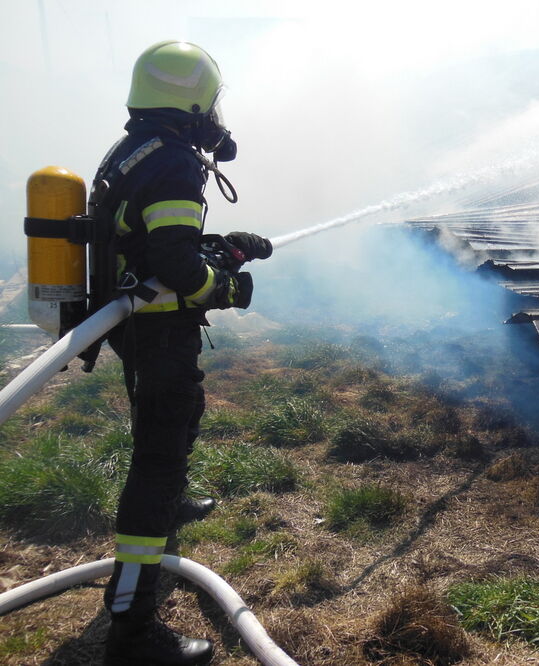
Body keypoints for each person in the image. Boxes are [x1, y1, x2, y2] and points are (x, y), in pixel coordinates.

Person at [91, 40, 272, 665]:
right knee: (156, 463)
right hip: (161, 331)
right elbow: (172, 261)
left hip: (136, 326)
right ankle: (134, 634)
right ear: (192, 101)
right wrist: (223, 287)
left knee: (168, 431)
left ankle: (166, 509)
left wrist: (226, 246)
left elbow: (153, 239)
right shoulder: (173, 163)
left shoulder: (134, 149)